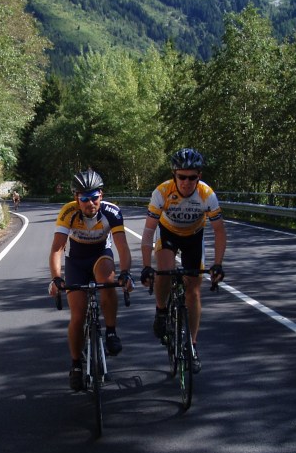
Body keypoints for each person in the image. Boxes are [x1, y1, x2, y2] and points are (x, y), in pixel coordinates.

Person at [139, 148, 226, 373]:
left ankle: (192, 346)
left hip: (194, 237)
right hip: (167, 233)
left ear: (199, 176)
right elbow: (148, 232)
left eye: (192, 177)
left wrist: (218, 263)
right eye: (182, 177)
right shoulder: (162, 192)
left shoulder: (207, 194)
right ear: (174, 175)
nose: (187, 182)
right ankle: (160, 311)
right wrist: (146, 266)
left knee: (194, 291)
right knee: (164, 271)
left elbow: (219, 231)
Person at [48, 169, 133, 391]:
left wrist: (125, 272)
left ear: (101, 195)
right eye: (84, 198)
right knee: (77, 315)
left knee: (108, 279)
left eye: (94, 197)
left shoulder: (112, 212)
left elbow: (122, 246)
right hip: (76, 260)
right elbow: (57, 249)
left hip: (100, 255)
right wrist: (56, 278)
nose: (90, 203)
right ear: (77, 198)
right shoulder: (68, 212)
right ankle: (76, 364)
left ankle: (111, 330)